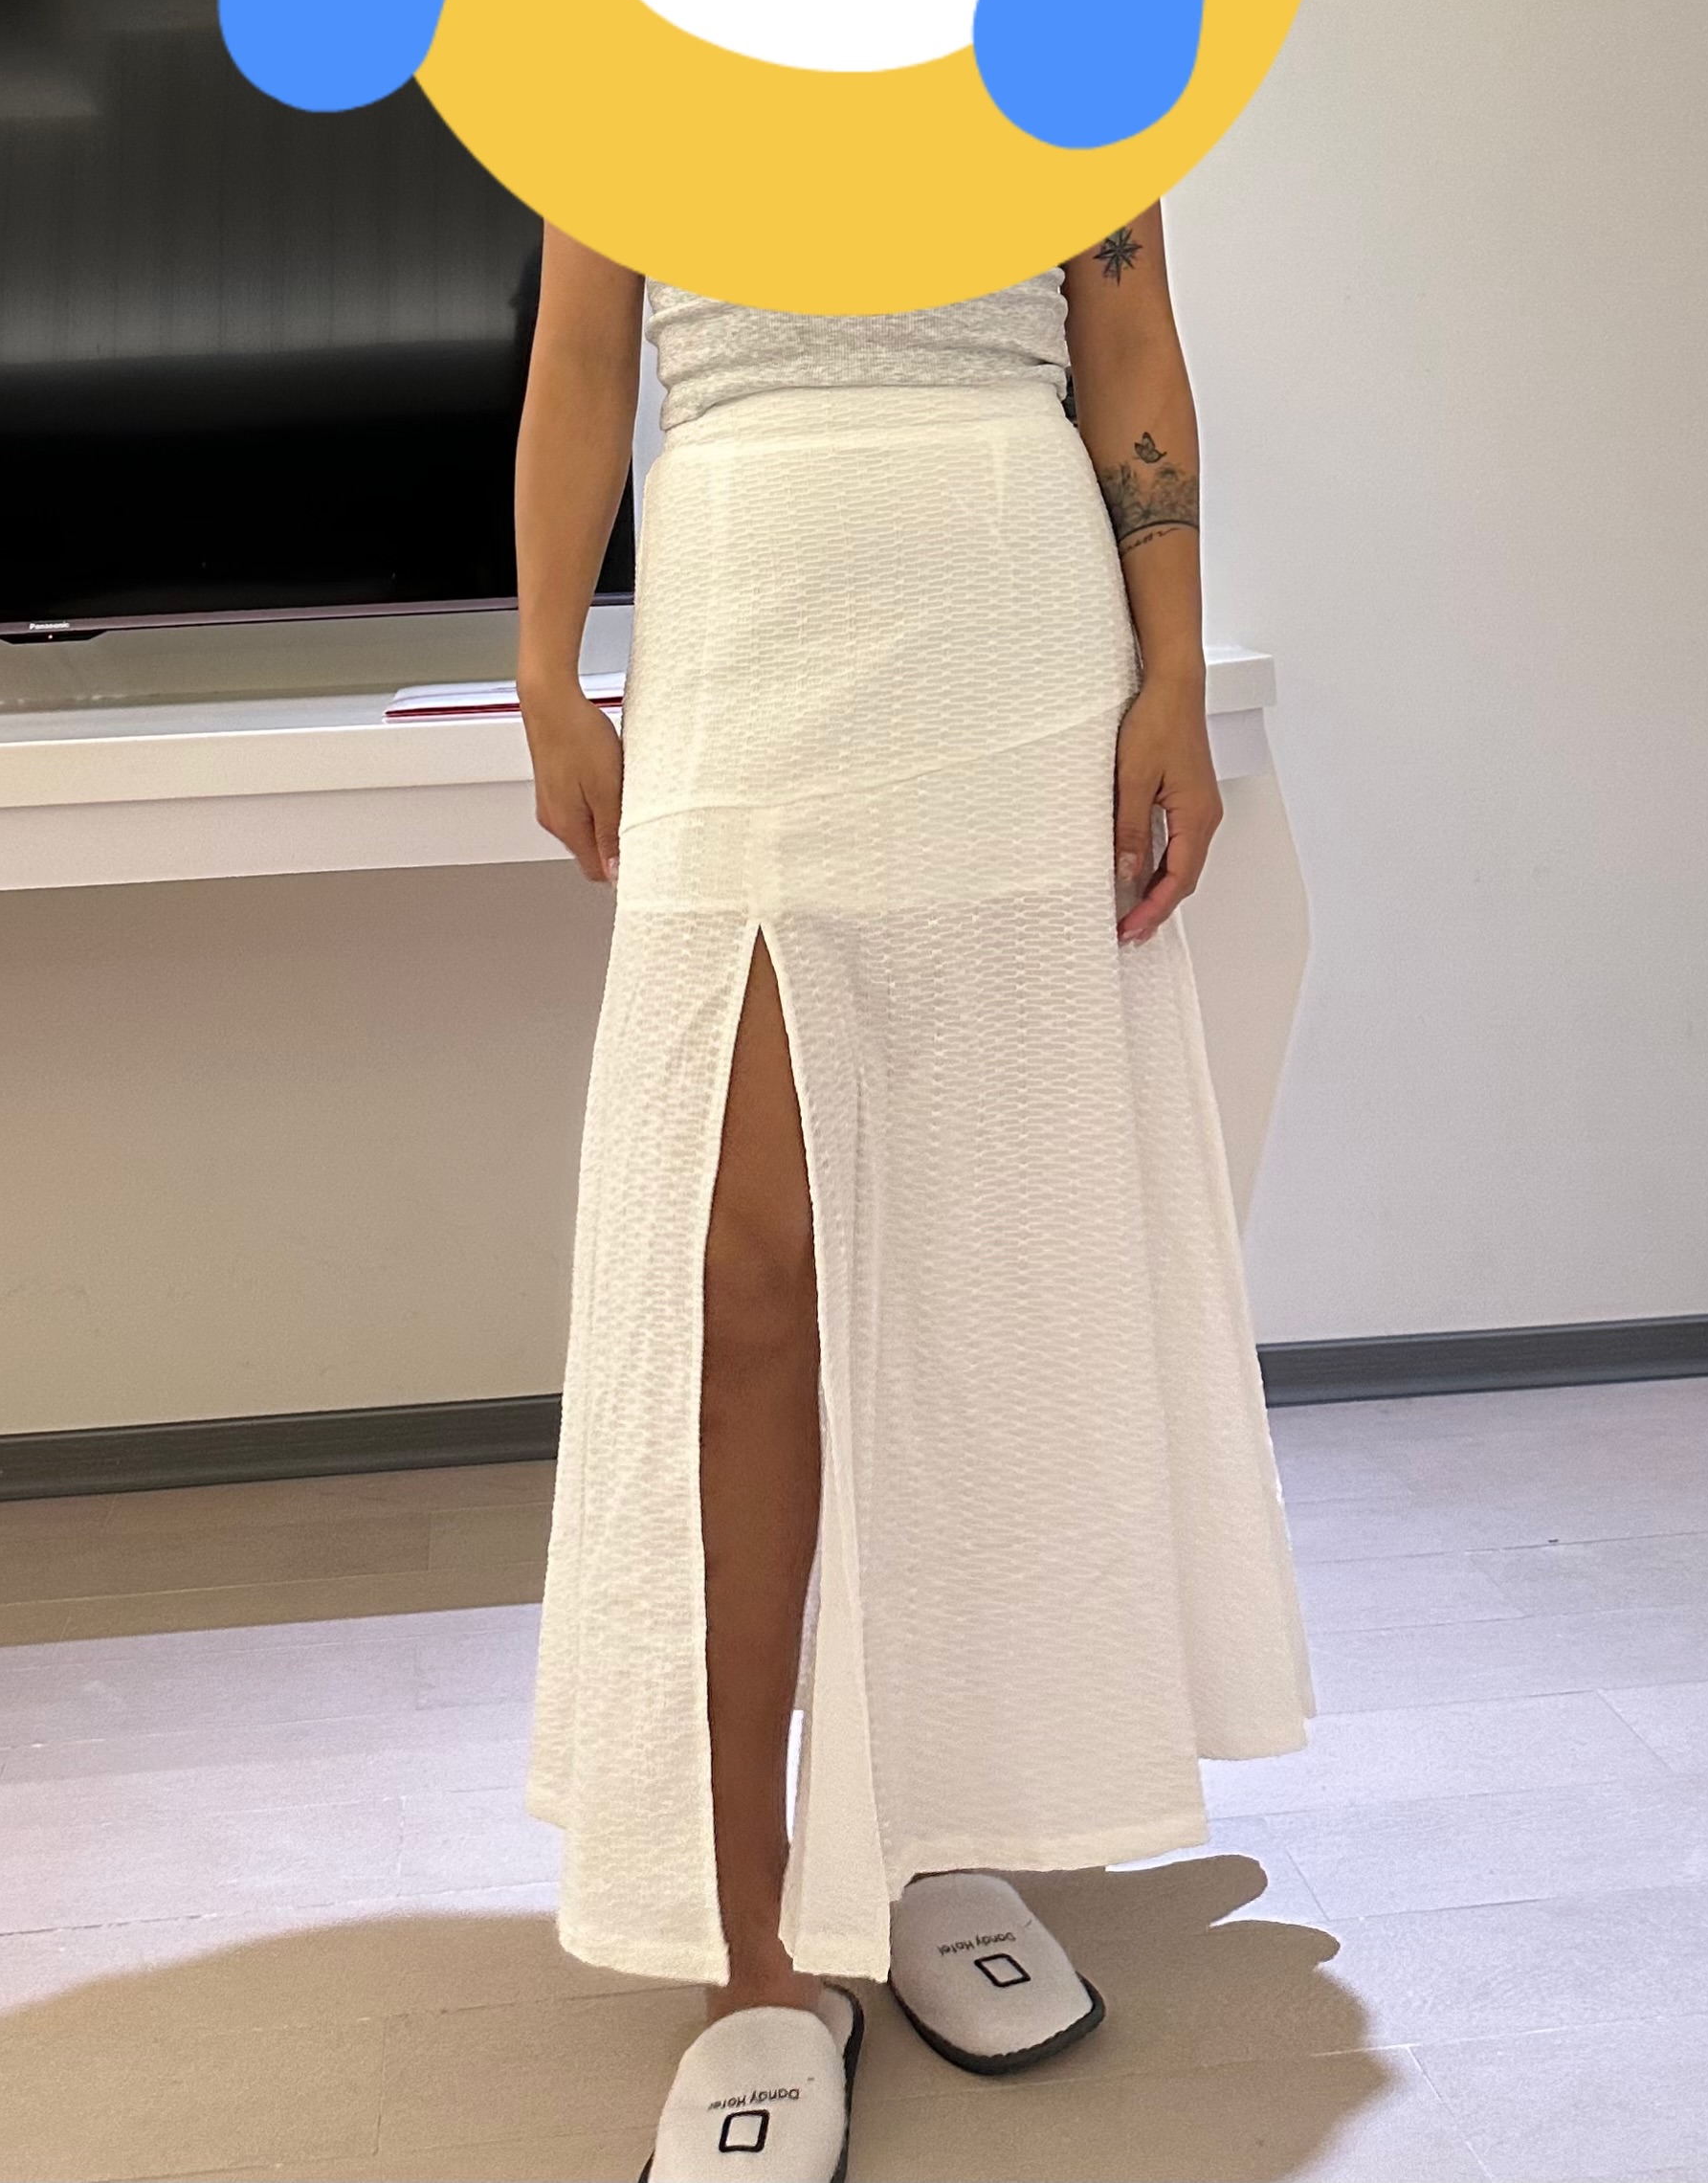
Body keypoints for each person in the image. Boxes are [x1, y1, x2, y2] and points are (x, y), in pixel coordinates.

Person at [515, 211, 1312, 2183]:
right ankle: (753, 1950)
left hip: (1012, 628)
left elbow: (1125, 338)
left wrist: (1172, 671)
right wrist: (544, 666)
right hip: (745, 616)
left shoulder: (1060, 28)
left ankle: (937, 1828)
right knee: (746, 1289)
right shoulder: (619, 25)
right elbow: (585, 355)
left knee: (982, 1268)